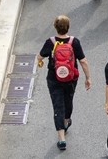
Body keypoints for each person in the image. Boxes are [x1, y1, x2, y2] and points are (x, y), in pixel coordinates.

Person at [37, 15, 91, 151]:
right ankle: (66, 122)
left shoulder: (50, 42)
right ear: (68, 27)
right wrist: (87, 78)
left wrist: (40, 62)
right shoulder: (74, 42)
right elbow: (83, 61)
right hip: (71, 78)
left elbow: (39, 57)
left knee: (57, 105)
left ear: (55, 27)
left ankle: (61, 139)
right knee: (68, 100)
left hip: (54, 78)